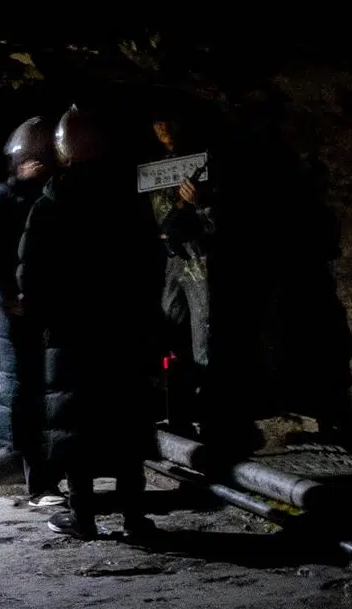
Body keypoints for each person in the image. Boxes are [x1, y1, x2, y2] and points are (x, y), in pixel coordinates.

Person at [18, 105, 165, 540]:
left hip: (70, 334)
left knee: (75, 428)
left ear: (64, 149)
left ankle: (83, 517)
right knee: (127, 422)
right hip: (123, 331)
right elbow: (150, 265)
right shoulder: (129, 201)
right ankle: (135, 517)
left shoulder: (49, 205)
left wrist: (44, 324)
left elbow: (31, 275)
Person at [0, 116, 65, 506]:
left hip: (50, 316)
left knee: (53, 400)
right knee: (28, 401)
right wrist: (7, 300)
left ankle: (62, 477)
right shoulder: (6, 200)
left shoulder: (55, 199)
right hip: (17, 322)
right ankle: (41, 484)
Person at [149, 108, 217, 439]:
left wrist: (203, 205)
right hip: (171, 262)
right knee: (168, 336)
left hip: (199, 261)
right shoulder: (156, 170)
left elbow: (225, 224)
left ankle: (208, 417)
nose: (165, 128)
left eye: (170, 121)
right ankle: (176, 411)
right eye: (159, 124)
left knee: (204, 337)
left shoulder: (205, 165)